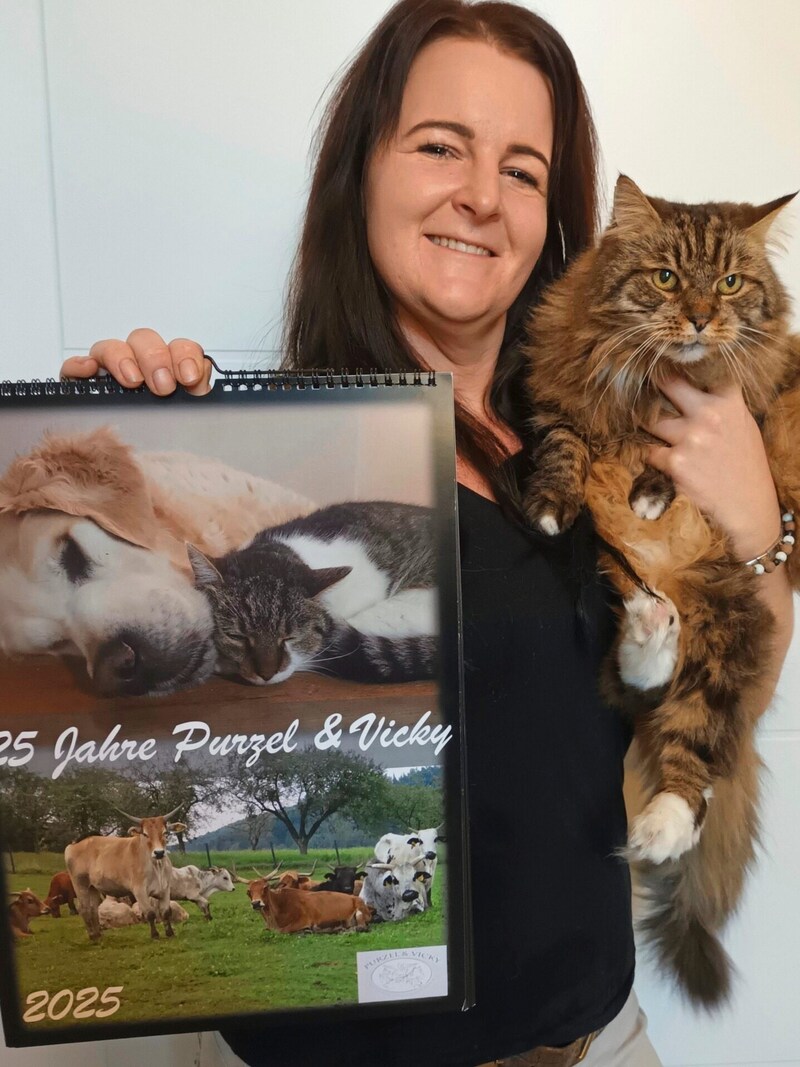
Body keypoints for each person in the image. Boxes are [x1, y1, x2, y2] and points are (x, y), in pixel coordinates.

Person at [60, 2, 793, 1064]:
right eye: (440, 146)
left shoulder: (610, 430)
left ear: (555, 212)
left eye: (523, 169)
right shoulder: (256, 456)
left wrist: (753, 517)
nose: (479, 197)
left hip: (591, 1040)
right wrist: (115, 453)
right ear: (364, 166)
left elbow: (727, 691)